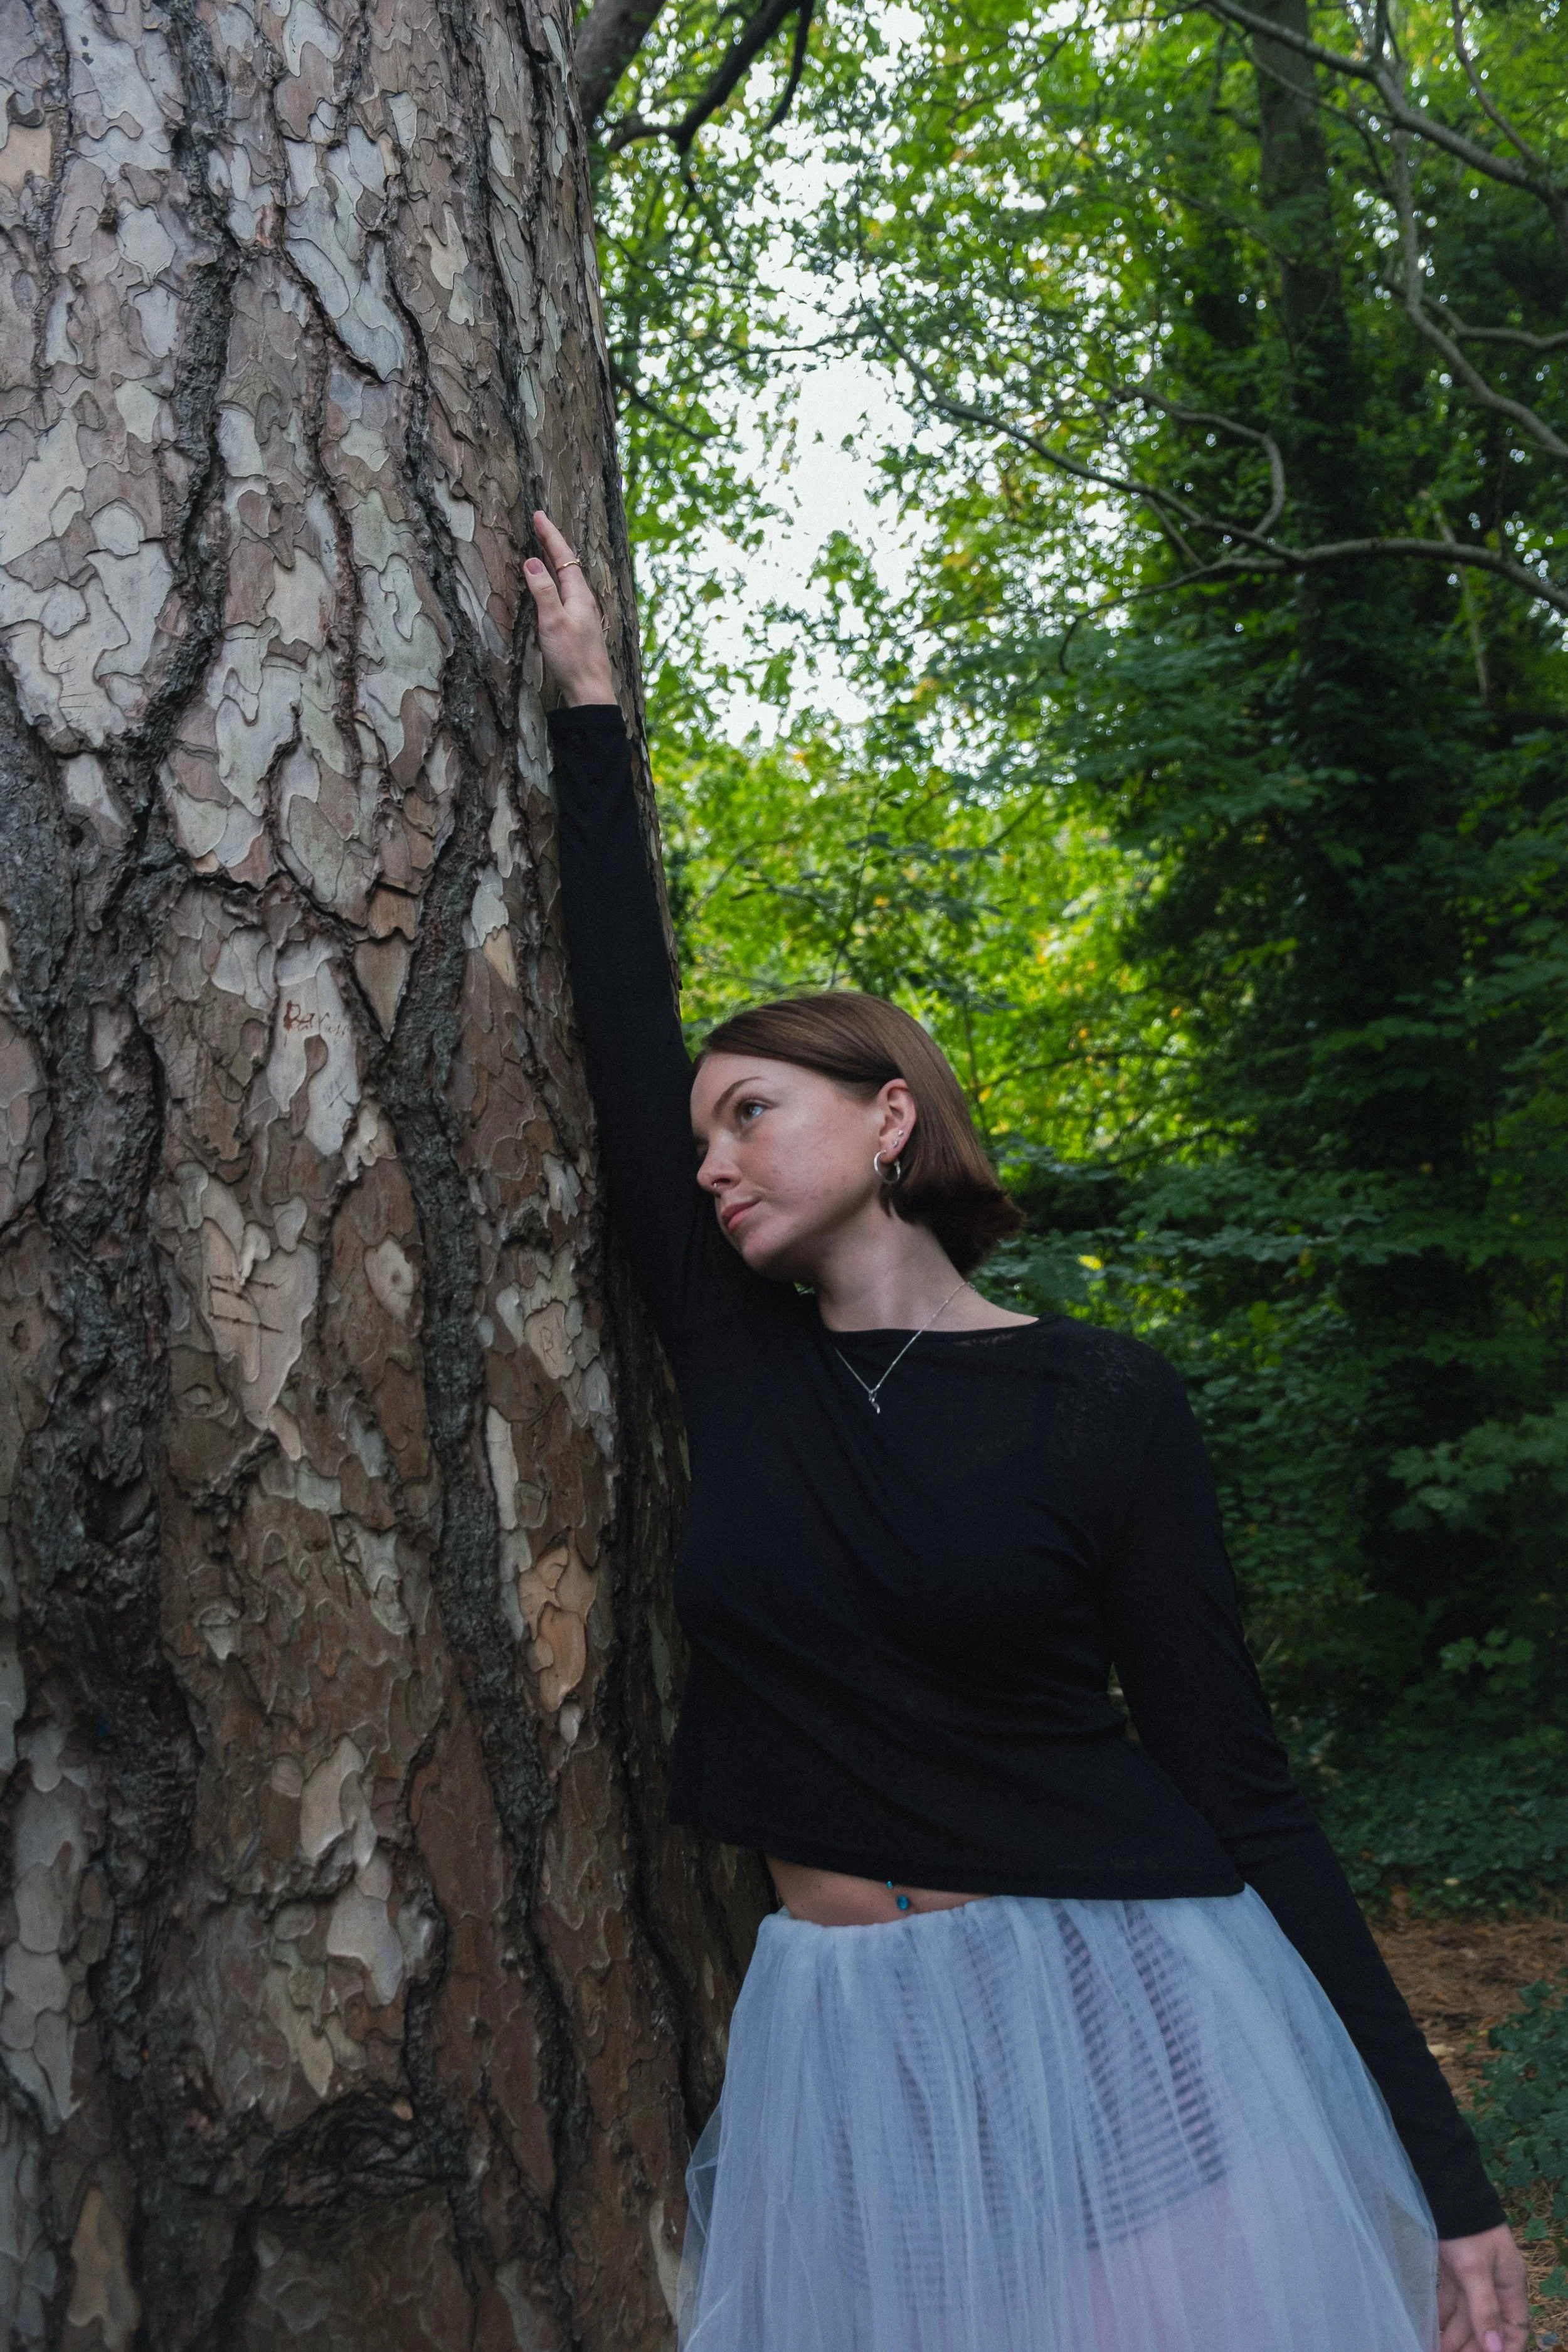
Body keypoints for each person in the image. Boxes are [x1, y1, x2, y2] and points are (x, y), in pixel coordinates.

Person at [523, 510, 1528, 2352]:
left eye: (752, 1111)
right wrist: (589, 713)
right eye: (696, 1140)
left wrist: (1446, 2179)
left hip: (1119, 1986)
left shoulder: (1103, 1401)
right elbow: (612, 1015)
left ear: (888, 1114)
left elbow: (1235, 1774)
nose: (712, 1159)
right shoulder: (740, 1359)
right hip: (843, 2023)